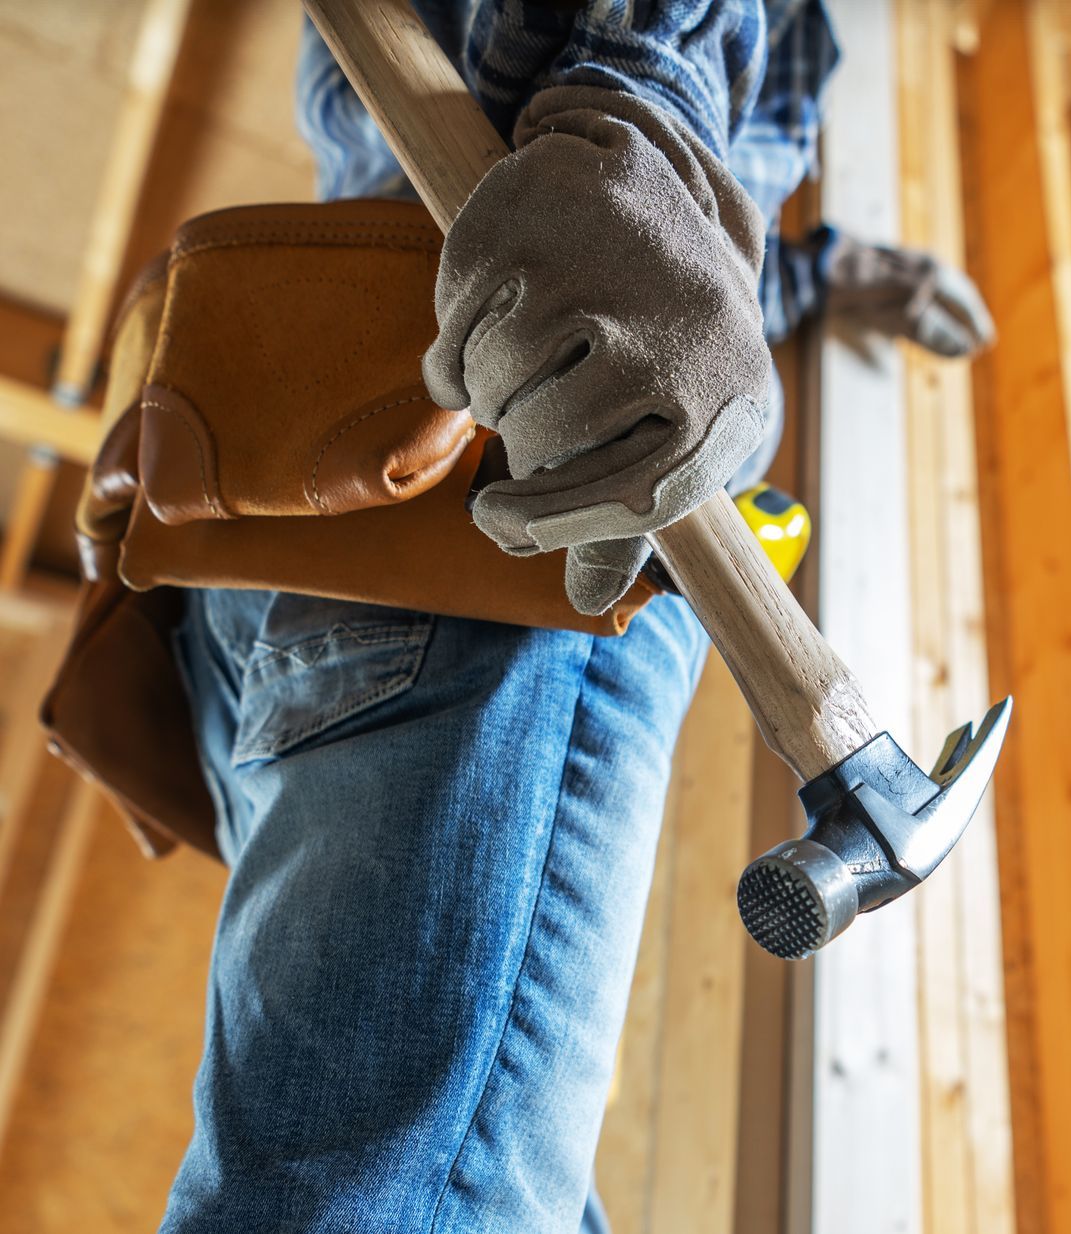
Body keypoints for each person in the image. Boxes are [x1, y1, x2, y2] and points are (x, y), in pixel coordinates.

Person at [158, 3, 991, 1230]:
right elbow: (604, 204)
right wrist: (640, 131)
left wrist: (824, 267)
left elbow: (583, 235)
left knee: (444, 1174)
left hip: (286, 518)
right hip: (505, 537)